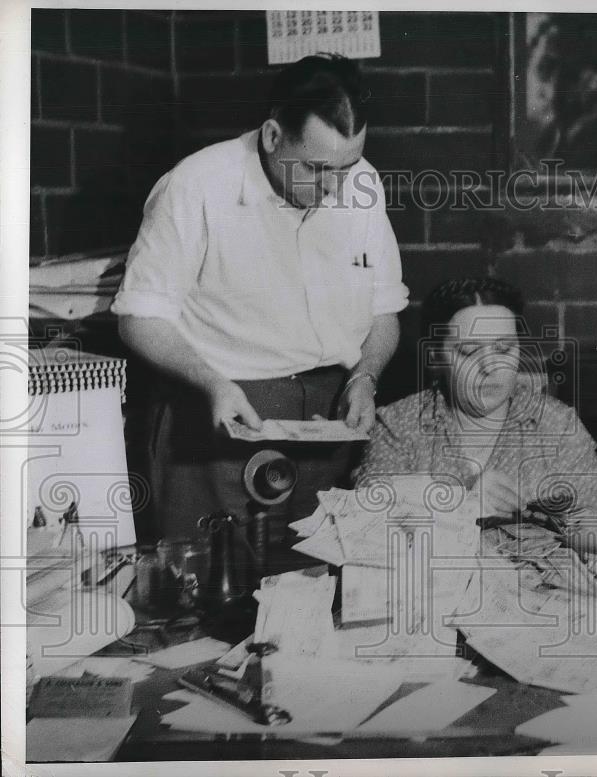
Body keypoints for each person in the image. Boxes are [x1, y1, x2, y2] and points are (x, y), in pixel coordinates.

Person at [111, 55, 408, 545]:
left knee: (316, 593)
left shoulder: (362, 185)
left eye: (347, 166)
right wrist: (212, 383)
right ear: (273, 137)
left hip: (328, 422)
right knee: (208, 594)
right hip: (222, 417)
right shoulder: (196, 186)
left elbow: (384, 311)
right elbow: (140, 319)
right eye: (317, 168)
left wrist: (365, 378)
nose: (335, 188)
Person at [354, 277, 597, 556]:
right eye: (469, 352)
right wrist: (463, 504)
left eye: (504, 349)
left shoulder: (556, 424)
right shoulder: (398, 426)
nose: (490, 366)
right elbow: (364, 531)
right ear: (436, 357)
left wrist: (552, 519)